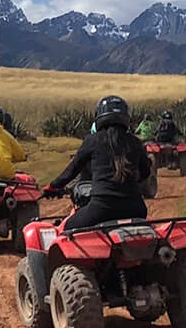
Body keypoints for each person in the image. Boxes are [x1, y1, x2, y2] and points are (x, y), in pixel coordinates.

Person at [45, 95, 151, 229]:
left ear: (99, 116)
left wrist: (52, 186)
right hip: (136, 209)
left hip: (101, 209)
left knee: (64, 229)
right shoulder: (135, 142)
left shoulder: (92, 140)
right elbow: (146, 172)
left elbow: (72, 170)